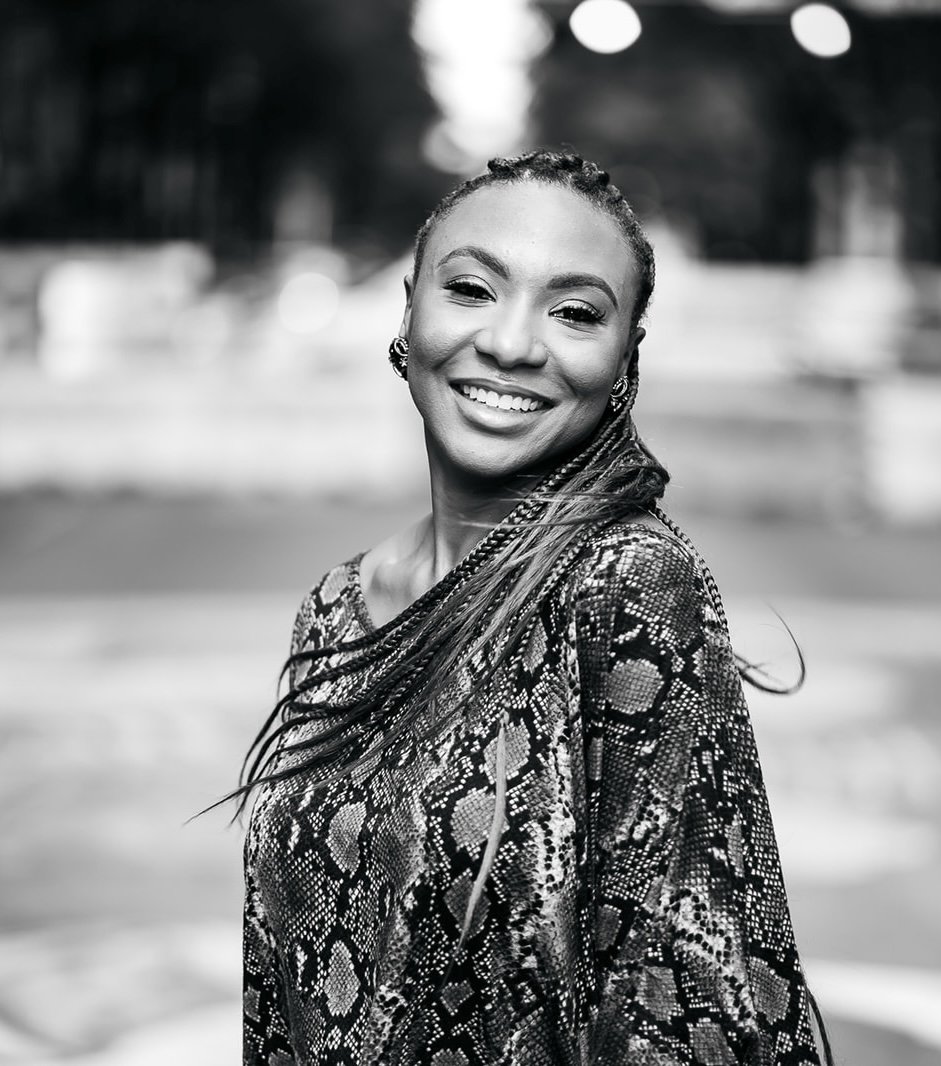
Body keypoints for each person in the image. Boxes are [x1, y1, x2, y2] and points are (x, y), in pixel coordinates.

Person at [238, 149, 828, 1065]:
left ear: (625, 356)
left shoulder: (626, 585)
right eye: (472, 290)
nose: (513, 343)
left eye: (576, 312)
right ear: (409, 309)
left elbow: (680, 998)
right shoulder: (333, 608)